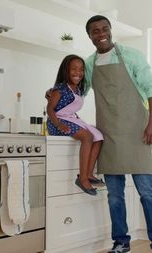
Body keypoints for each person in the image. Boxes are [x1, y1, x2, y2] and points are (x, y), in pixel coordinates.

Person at [84, 15, 152, 253]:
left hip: (138, 132)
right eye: (95, 31)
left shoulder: (131, 56)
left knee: (147, 192)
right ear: (90, 36)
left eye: (104, 29)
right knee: (114, 196)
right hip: (108, 134)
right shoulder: (90, 64)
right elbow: (80, 92)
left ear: (110, 30)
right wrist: (57, 94)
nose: (101, 34)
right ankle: (121, 242)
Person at [46, 54, 105, 196]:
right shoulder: (60, 89)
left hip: (71, 119)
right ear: (66, 70)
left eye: (81, 70)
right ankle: (82, 178)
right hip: (57, 121)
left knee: (98, 136)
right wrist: (58, 124)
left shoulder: (78, 89)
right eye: (74, 69)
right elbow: (50, 109)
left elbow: (71, 109)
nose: (78, 73)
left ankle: (89, 174)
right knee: (87, 137)